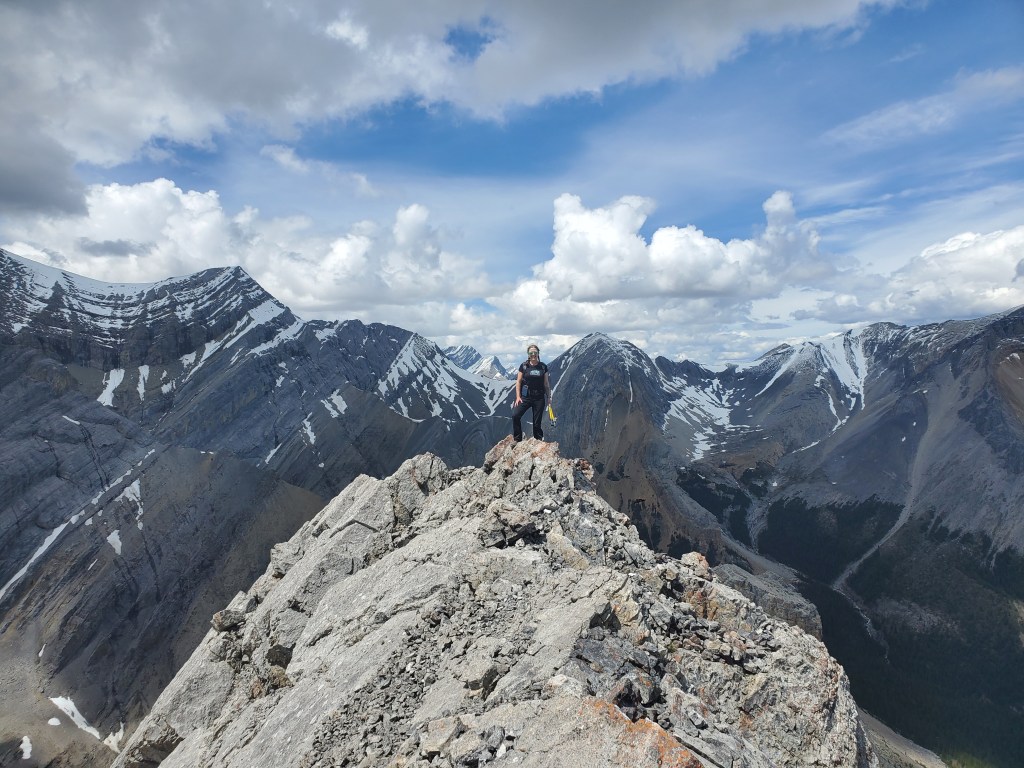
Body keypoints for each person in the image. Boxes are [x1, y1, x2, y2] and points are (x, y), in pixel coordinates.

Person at [512, 344, 552, 441]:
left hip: (539, 397)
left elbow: (546, 383)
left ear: (538, 354)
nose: (533, 354)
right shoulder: (524, 366)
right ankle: (517, 439)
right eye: (531, 353)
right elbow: (518, 382)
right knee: (515, 415)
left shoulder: (543, 367)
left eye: (535, 352)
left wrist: (549, 397)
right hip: (526, 397)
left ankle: (538, 440)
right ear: (528, 354)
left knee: (537, 422)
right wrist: (518, 397)